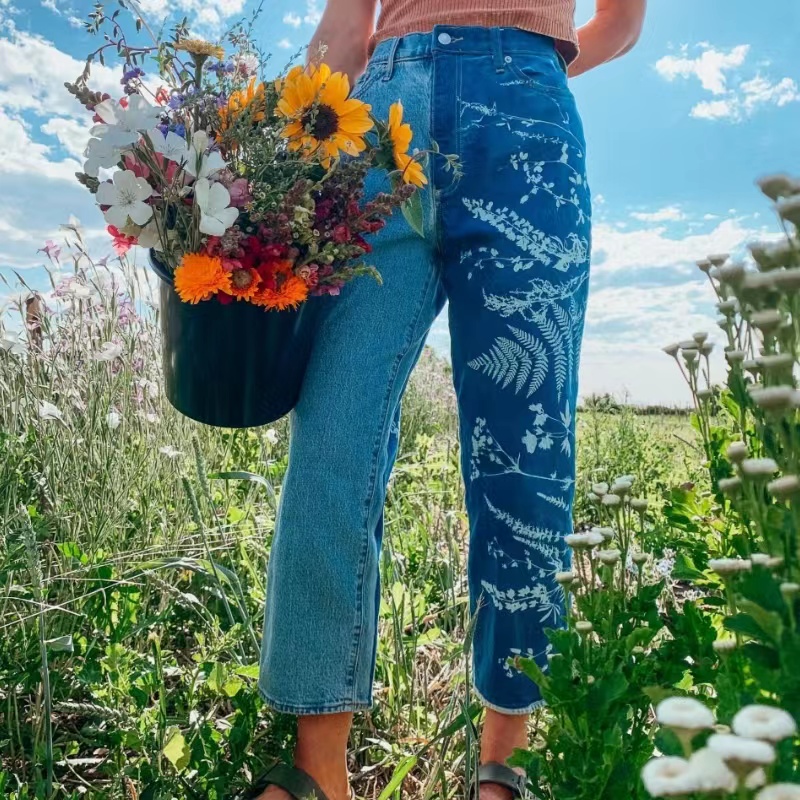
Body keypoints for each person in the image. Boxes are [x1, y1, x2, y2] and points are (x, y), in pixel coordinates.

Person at [249, 1, 646, 798]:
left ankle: (505, 761)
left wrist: (525, 64)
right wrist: (278, 157)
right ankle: (317, 771)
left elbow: (622, 21)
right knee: (331, 431)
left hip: (524, 119)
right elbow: (346, 29)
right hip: (376, 125)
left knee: (522, 450)